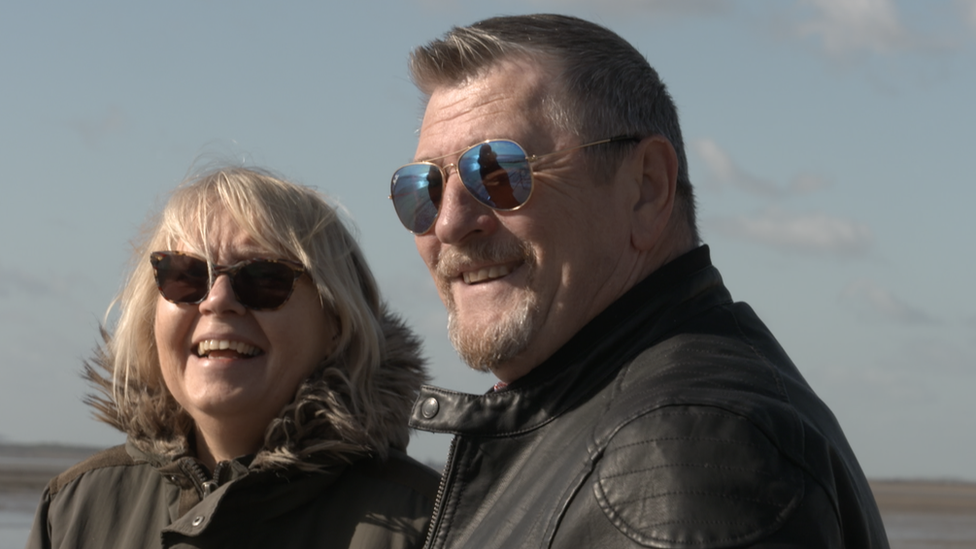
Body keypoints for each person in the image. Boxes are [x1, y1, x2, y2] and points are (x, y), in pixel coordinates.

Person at [389, 14, 889, 548]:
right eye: (424, 188)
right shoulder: (603, 425)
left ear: (647, 189)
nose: (448, 224)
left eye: (498, 173)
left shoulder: (682, 462)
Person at [29, 167, 438, 549]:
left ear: (336, 323)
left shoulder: (434, 524)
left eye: (263, 279)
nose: (218, 301)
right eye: (185, 275)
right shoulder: (72, 513)